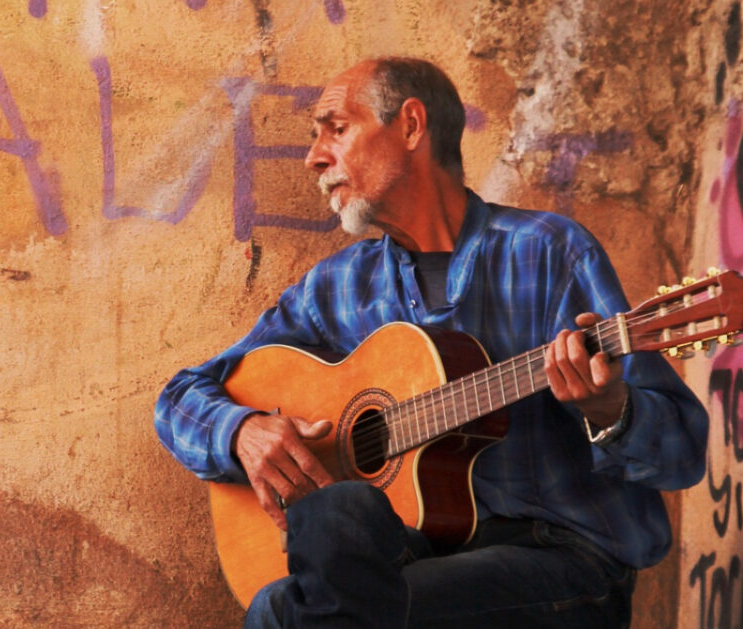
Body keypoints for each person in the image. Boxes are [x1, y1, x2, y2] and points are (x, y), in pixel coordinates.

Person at [154, 57, 708, 628]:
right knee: (329, 522)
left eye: (336, 129)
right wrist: (241, 431)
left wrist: (608, 409)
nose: (314, 156)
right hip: (416, 552)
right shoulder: (340, 287)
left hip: (560, 561)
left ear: (412, 126)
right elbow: (178, 398)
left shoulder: (549, 252)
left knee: (298, 614)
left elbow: (683, 450)